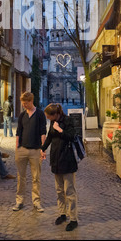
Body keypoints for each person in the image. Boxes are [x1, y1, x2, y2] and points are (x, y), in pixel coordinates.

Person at [40, 103, 78, 232]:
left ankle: (73, 219)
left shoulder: (67, 120)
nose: (48, 119)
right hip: (56, 159)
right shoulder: (53, 122)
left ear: (55, 114)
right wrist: (43, 149)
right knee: (59, 190)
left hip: (67, 160)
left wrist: (60, 130)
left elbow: (72, 136)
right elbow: (50, 137)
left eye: (49, 116)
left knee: (70, 192)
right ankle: (62, 214)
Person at [13, 91, 47, 212]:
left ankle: (36, 202)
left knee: (35, 177)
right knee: (20, 177)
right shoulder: (22, 115)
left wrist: (43, 149)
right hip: (22, 150)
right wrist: (17, 148)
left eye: (25, 103)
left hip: (36, 150)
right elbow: (18, 132)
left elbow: (43, 131)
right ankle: (19, 201)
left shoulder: (40, 114)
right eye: (22, 103)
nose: (24, 105)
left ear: (31, 101)